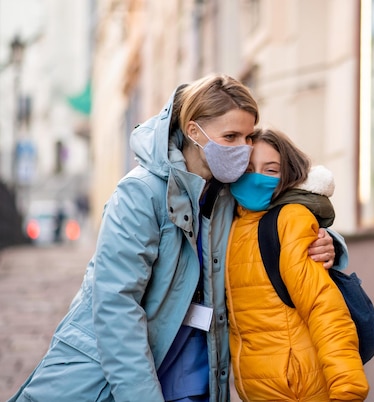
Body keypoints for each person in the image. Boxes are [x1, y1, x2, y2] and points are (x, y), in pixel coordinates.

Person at [8, 74, 340, 402]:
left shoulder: (229, 191)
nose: (244, 149)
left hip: (196, 374)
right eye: (231, 136)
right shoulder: (140, 193)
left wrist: (328, 243)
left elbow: (287, 212)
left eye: (248, 136)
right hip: (111, 379)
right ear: (194, 131)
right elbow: (115, 306)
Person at [225, 127, 369, 401]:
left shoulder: (290, 220)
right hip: (260, 389)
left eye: (270, 170)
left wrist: (347, 390)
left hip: (300, 389)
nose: (256, 178)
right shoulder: (230, 225)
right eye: (247, 168)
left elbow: (324, 308)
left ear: (288, 175)